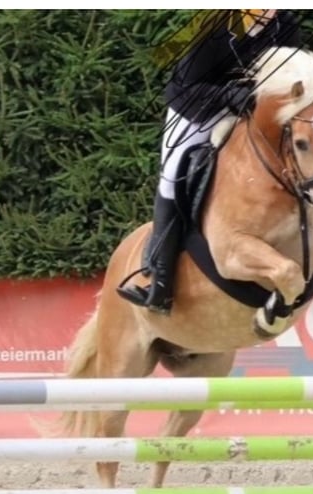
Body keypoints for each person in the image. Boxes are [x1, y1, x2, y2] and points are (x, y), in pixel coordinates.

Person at [117, 9, 302, 314]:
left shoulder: (286, 23)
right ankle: (160, 282)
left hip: (249, 110)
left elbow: (292, 73)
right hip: (195, 109)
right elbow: (188, 85)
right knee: (172, 179)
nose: (269, 10)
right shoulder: (213, 27)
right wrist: (230, 95)